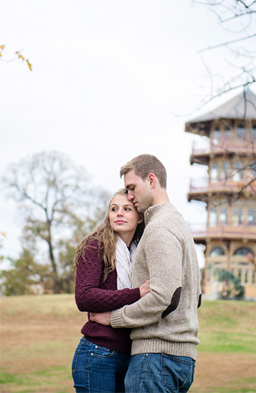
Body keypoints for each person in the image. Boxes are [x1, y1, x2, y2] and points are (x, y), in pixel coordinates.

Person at [89, 154, 201, 393]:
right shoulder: (179, 224)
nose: (129, 196)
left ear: (151, 180)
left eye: (132, 188)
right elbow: (196, 296)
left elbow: (163, 297)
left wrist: (115, 318)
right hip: (179, 359)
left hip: (156, 358)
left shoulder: (160, 228)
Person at [72, 189, 149, 393]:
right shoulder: (95, 245)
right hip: (97, 353)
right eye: (114, 209)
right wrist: (135, 294)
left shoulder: (140, 253)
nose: (119, 213)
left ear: (140, 217)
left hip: (131, 355)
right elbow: (84, 297)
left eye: (127, 209)